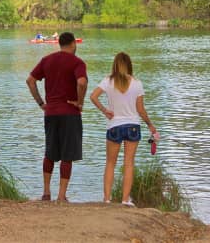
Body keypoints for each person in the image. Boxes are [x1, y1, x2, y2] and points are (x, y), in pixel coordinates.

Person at [89, 52, 158, 206]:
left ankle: (107, 199)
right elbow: (140, 109)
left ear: (115, 64)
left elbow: (93, 96)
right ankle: (125, 200)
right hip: (133, 126)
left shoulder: (108, 81)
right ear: (129, 65)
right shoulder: (137, 83)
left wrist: (104, 110)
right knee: (129, 163)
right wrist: (150, 125)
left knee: (110, 163)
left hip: (114, 126)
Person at [26, 32, 87, 202]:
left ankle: (46, 193)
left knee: (50, 153)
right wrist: (79, 102)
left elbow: (30, 80)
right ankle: (61, 196)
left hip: (51, 112)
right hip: (69, 112)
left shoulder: (47, 60)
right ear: (74, 43)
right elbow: (81, 82)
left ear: (59, 43)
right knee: (67, 155)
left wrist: (41, 103)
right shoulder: (77, 62)